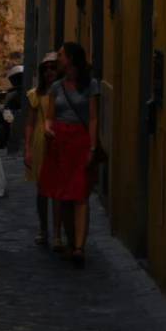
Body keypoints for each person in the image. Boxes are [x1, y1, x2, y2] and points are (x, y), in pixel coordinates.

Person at [39, 42, 97, 262]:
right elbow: (50, 116)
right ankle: (72, 241)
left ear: (71, 59)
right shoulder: (56, 87)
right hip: (59, 144)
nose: (58, 58)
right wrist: (46, 127)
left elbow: (92, 118)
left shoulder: (90, 86)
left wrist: (92, 147)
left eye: (61, 55)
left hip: (80, 142)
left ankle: (80, 247)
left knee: (80, 195)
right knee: (62, 195)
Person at [25, 51, 61, 248]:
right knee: (42, 190)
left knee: (56, 190)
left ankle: (56, 233)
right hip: (41, 142)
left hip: (57, 140)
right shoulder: (35, 95)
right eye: (46, 69)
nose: (50, 72)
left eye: (53, 68)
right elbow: (30, 123)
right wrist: (27, 149)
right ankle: (43, 229)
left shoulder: (64, 93)